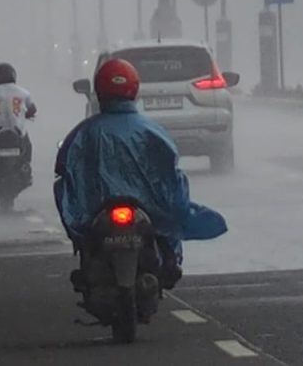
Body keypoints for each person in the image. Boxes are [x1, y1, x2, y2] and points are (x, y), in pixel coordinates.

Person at [54, 58, 227, 289]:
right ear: (134, 90)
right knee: (168, 237)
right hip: (145, 216)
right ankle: (170, 261)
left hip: (99, 219)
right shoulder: (152, 131)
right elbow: (172, 177)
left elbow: (65, 176)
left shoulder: (84, 132)